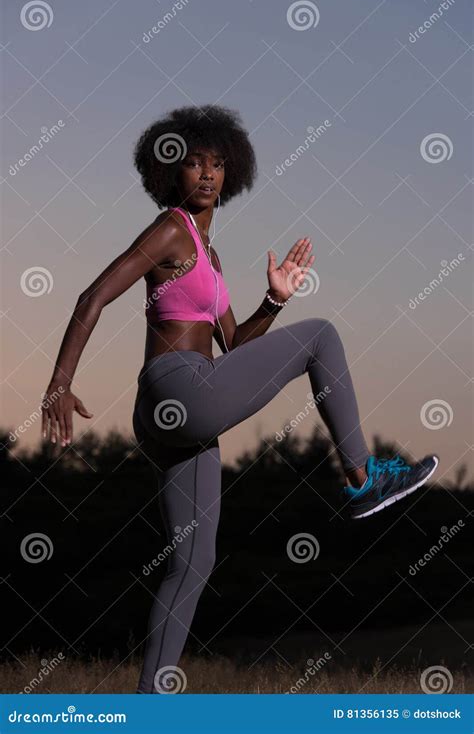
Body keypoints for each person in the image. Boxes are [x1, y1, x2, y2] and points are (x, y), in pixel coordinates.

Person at [41, 104, 439, 694]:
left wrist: (274, 301)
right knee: (323, 337)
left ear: (232, 174)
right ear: (169, 171)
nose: (206, 173)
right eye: (193, 162)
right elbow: (92, 296)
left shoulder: (211, 255)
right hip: (178, 387)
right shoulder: (170, 228)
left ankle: (152, 703)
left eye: (218, 164)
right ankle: (361, 479)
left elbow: (234, 345)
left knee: (192, 563)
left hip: (183, 412)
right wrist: (59, 382)